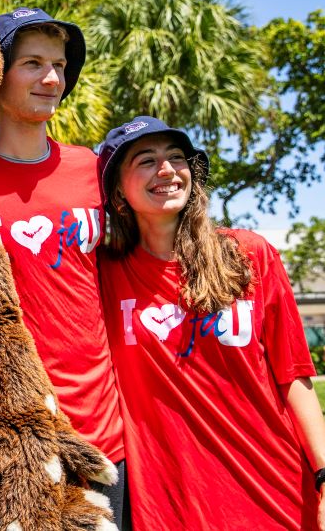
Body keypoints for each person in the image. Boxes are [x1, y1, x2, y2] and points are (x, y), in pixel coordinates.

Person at [97, 115, 325, 530]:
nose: (167, 169)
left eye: (176, 157)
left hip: (278, 496)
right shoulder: (104, 277)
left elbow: (294, 376)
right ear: (117, 193)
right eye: (146, 160)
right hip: (171, 508)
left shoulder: (250, 254)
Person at [0, 7, 128, 525]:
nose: (52, 78)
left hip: (101, 427)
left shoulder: (93, 171)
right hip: (8, 433)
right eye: (32, 63)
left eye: (60, 64)